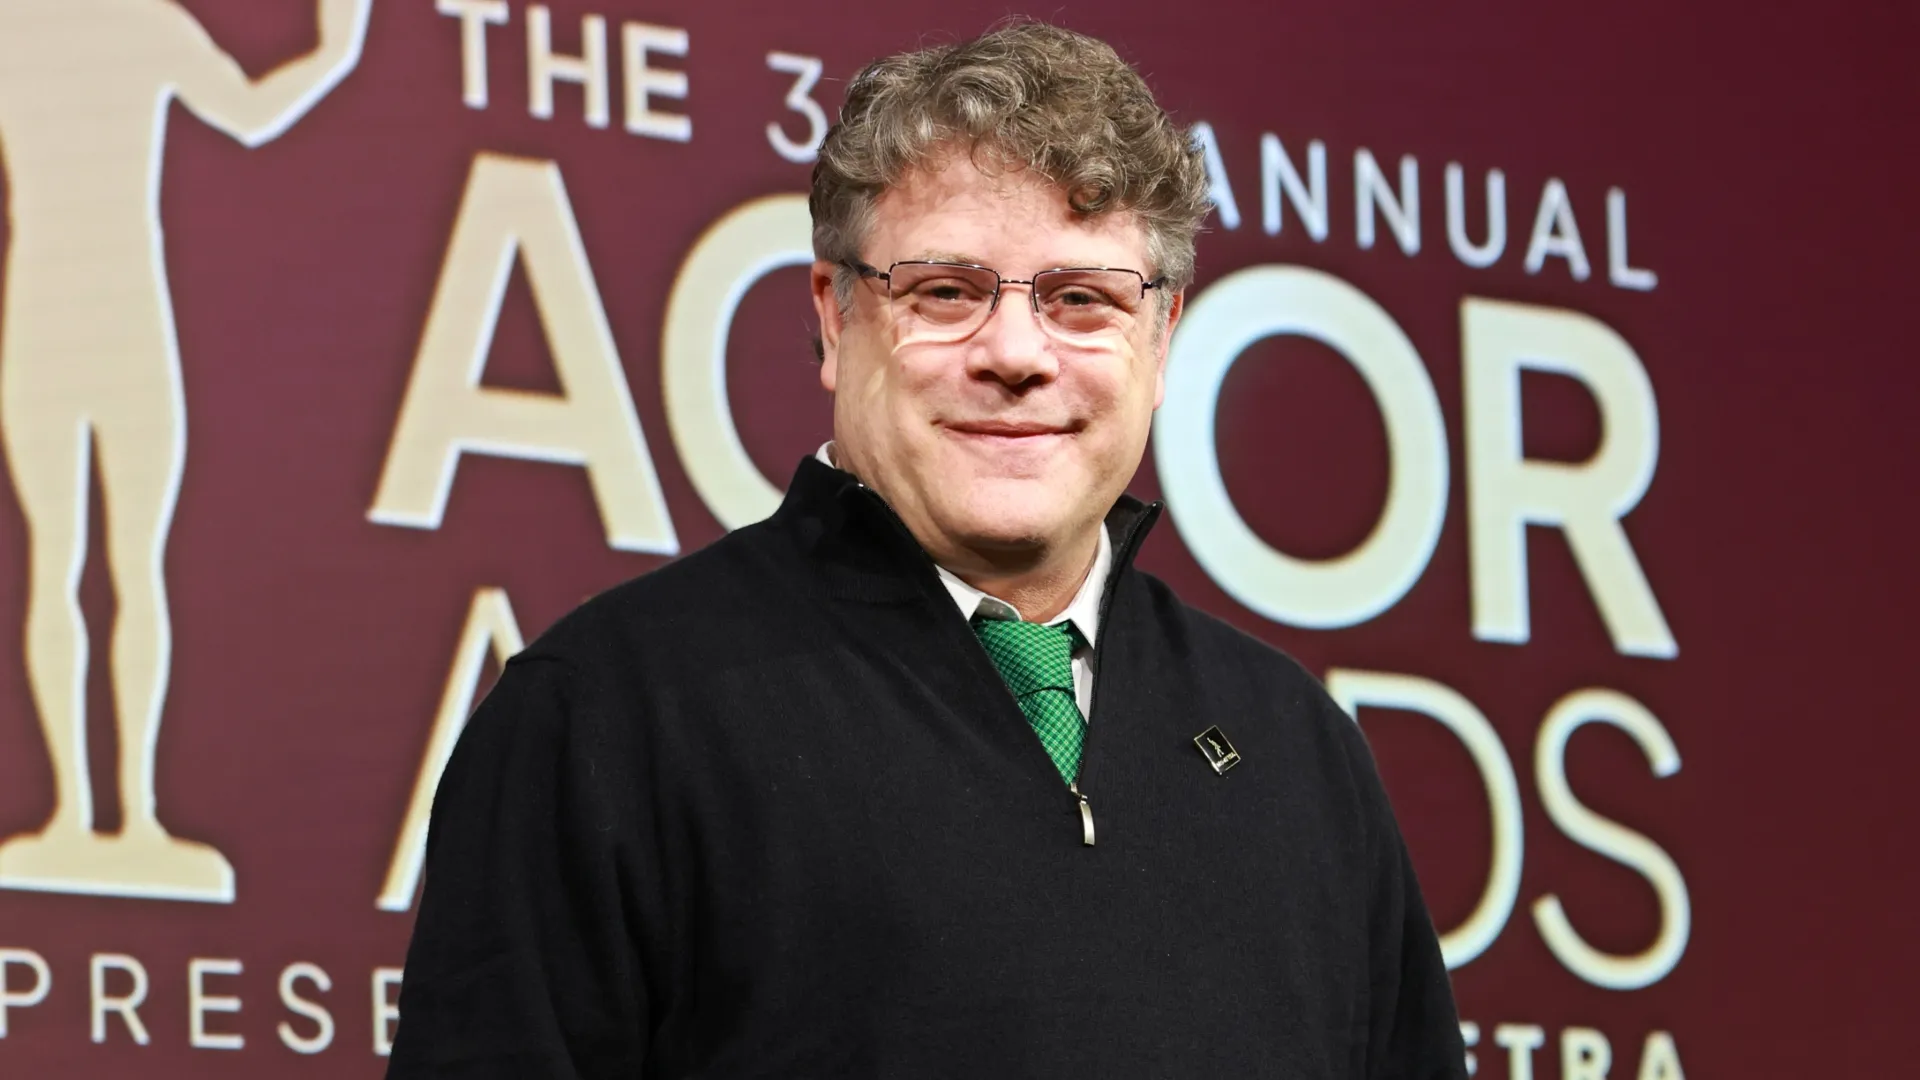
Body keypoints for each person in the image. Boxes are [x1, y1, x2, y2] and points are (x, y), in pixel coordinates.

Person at [389, 21, 1466, 1079]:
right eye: (947, 292)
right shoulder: (605, 717)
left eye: (1081, 300)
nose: (1015, 355)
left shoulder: (1300, 750)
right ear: (835, 315)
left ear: (1163, 338)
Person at [0, 0, 370, 902]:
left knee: (111, 567)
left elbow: (245, 115)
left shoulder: (118, 23)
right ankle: (91, 816)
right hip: (86, 315)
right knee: (84, 568)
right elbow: (247, 111)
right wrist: (332, 50)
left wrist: (337, 52)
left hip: (94, 317)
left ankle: (123, 815)